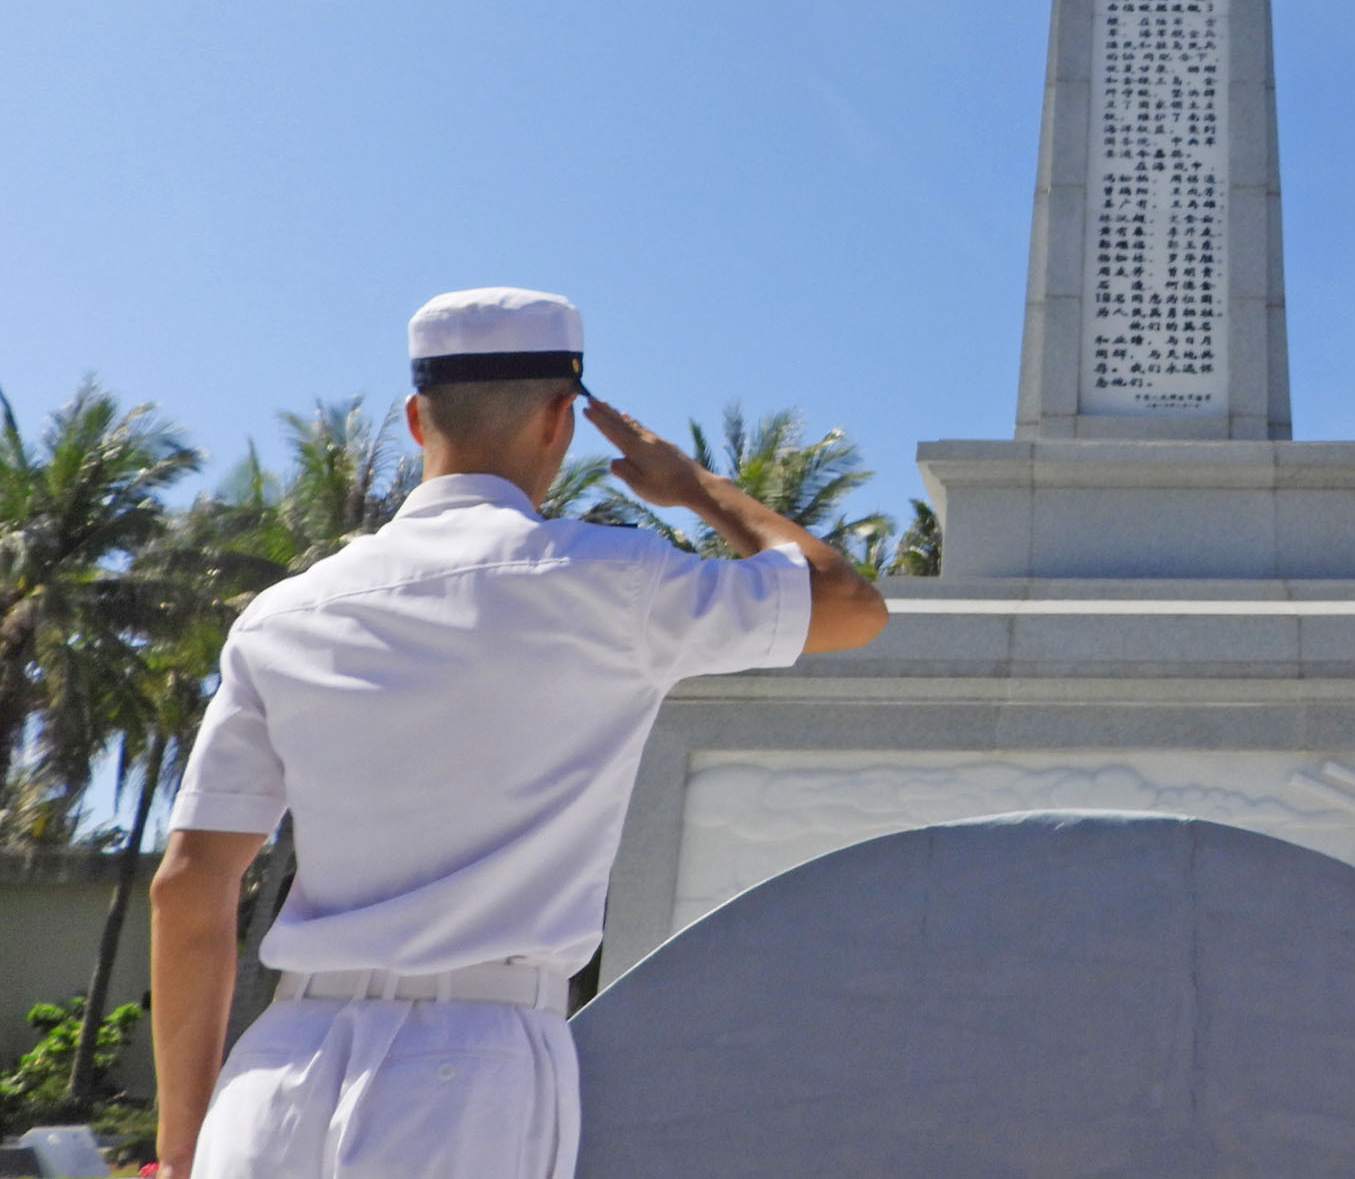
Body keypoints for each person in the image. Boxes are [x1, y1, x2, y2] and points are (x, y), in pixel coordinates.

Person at [147, 287, 889, 1179]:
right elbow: (848, 604)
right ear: (560, 421)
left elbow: (191, 885)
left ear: (418, 419)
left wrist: (181, 1144)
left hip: (279, 1068)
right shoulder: (616, 583)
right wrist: (696, 488)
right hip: (474, 1066)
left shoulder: (282, 615)